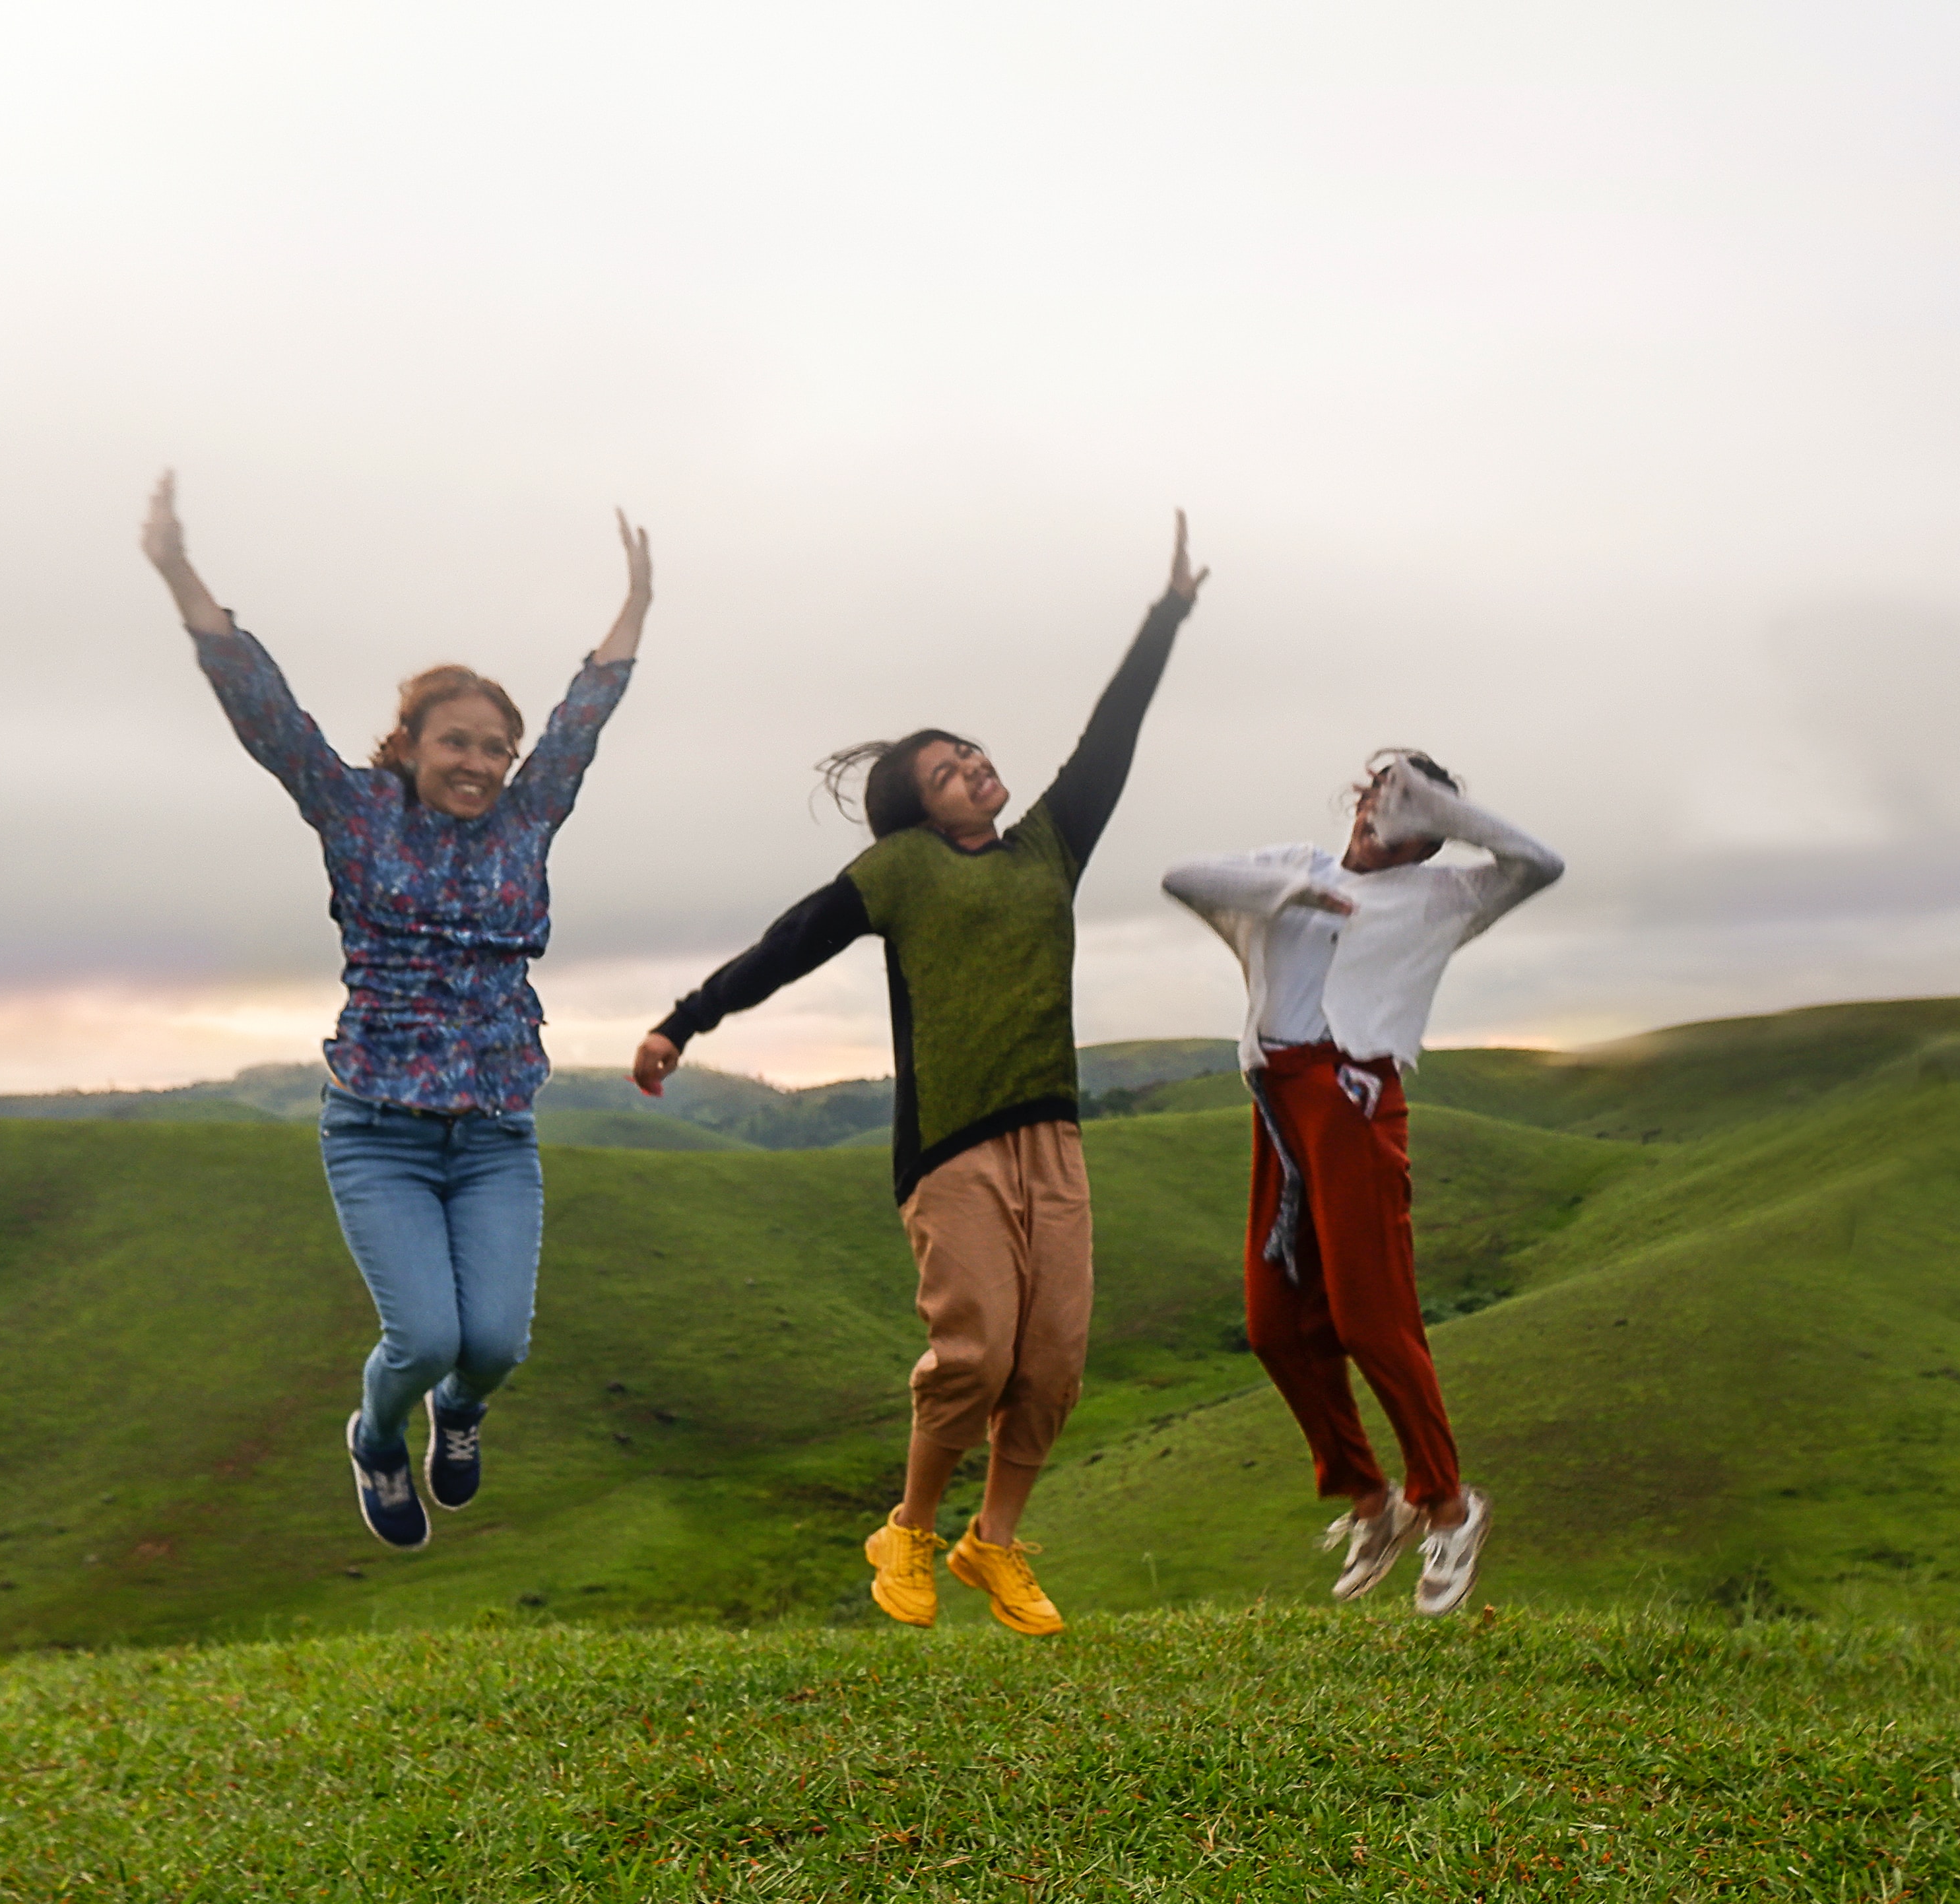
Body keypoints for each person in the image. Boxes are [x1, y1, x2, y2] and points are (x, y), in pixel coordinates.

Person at [630, 517, 1208, 1635]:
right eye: (946, 771)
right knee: (976, 1346)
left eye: (973, 755)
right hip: (952, 1146)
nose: (974, 770)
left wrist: (1166, 615)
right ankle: (908, 1528)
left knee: (1052, 1362)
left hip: (1056, 1135)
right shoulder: (897, 873)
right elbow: (789, 941)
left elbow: (1110, 739)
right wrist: (684, 1021)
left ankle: (994, 1546)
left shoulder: (1048, 847)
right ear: (920, 807)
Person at [141, 471, 651, 1552]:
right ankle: (378, 1437)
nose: (477, 763)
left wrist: (637, 602)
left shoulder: (528, 822)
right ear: (411, 744)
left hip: (499, 1133)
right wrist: (181, 572)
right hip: (379, 1130)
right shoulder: (355, 813)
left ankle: (456, 1424)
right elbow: (263, 709)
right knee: (422, 1336)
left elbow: (586, 718)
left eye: (494, 748)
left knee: (495, 1348)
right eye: (455, 742)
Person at [1160, 752, 1563, 1613]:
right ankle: (1369, 1497)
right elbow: (1180, 877)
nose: (1381, 813)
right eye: (1380, 793)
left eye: (1407, 810)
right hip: (1278, 1103)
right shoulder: (1293, 869)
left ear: (1434, 838)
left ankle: (1448, 1506)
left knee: (1372, 1321)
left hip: (1355, 1099)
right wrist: (1290, 898)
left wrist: (1445, 811)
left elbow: (1541, 864)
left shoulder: (1446, 897)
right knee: (1275, 1326)